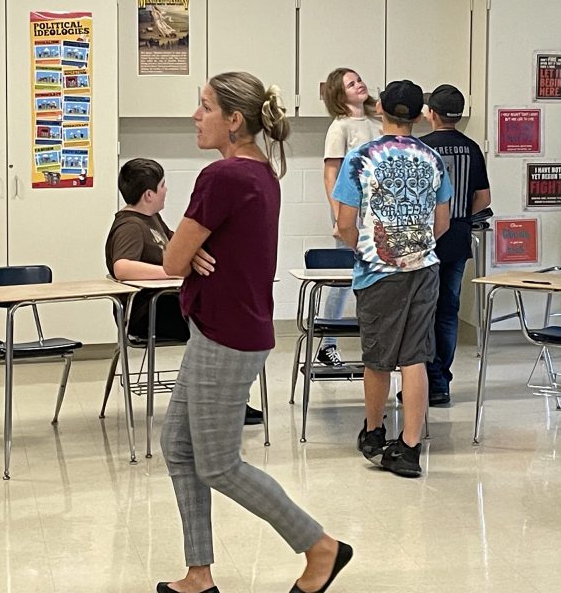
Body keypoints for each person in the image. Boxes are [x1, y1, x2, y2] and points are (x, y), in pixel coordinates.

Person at [159, 72, 351, 593]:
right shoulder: (260, 172)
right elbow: (191, 254)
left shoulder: (222, 177)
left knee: (219, 464)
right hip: (227, 327)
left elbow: (173, 258)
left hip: (227, 332)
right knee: (178, 447)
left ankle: (320, 546)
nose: (196, 117)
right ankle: (199, 573)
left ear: (234, 119)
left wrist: (183, 250)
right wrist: (189, 251)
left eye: (204, 107)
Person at [334, 79, 452, 478]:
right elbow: (443, 221)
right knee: (414, 357)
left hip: (378, 270)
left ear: (379, 106)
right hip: (424, 267)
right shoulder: (434, 159)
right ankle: (409, 447)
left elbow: (345, 222)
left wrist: (364, 248)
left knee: (378, 358)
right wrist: (414, 245)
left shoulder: (360, 158)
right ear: (421, 114)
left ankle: (373, 432)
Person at [105, 157, 262, 424]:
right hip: (149, 315)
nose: (167, 190)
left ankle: (229, 401)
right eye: (163, 185)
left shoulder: (152, 218)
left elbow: (179, 244)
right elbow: (122, 267)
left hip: (168, 307)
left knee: (230, 315)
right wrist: (172, 270)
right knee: (228, 323)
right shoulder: (130, 224)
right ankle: (226, 403)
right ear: (149, 194)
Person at [420, 84, 490, 406]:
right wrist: (458, 217)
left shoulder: (421, 148)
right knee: (448, 311)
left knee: (422, 310)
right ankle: (440, 381)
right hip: (457, 239)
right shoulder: (472, 148)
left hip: (422, 241)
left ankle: (419, 380)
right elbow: (483, 199)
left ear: (431, 113)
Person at [319, 67, 382, 368]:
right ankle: (327, 343)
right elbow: (331, 174)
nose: (359, 85)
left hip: (379, 213)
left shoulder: (377, 121)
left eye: (359, 79)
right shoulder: (340, 127)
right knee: (343, 281)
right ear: (339, 93)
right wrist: (338, 215)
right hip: (352, 212)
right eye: (351, 83)